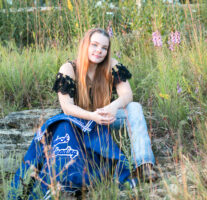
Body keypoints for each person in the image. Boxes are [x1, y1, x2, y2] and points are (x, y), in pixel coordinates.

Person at [8, 28, 156, 199]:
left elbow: (127, 95)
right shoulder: (69, 68)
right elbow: (67, 108)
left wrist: (113, 107)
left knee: (135, 107)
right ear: (85, 45)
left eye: (104, 48)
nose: (99, 51)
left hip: (106, 117)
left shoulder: (111, 65)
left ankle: (144, 165)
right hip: (79, 121)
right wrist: (92, 116)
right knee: (64, 128)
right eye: (94, 45)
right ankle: (67, 184)